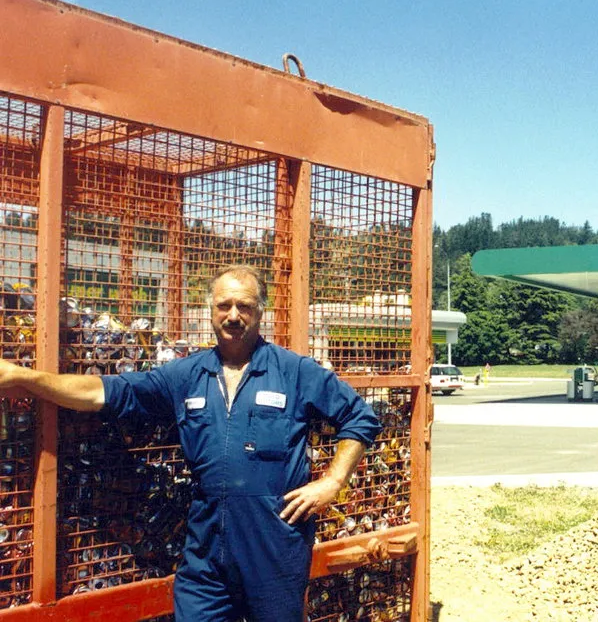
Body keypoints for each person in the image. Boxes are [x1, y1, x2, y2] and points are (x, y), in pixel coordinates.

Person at [0, 265, 382, 621]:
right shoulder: (186, 375)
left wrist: (332, 482)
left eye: (244, 306)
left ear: (260, 312)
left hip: (274, 549)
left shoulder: (294, 371)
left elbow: (359, 417)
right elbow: (103, 391)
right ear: (211, 311)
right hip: (205, 553)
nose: (234, 315)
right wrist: (25, 378)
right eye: (224, 305)